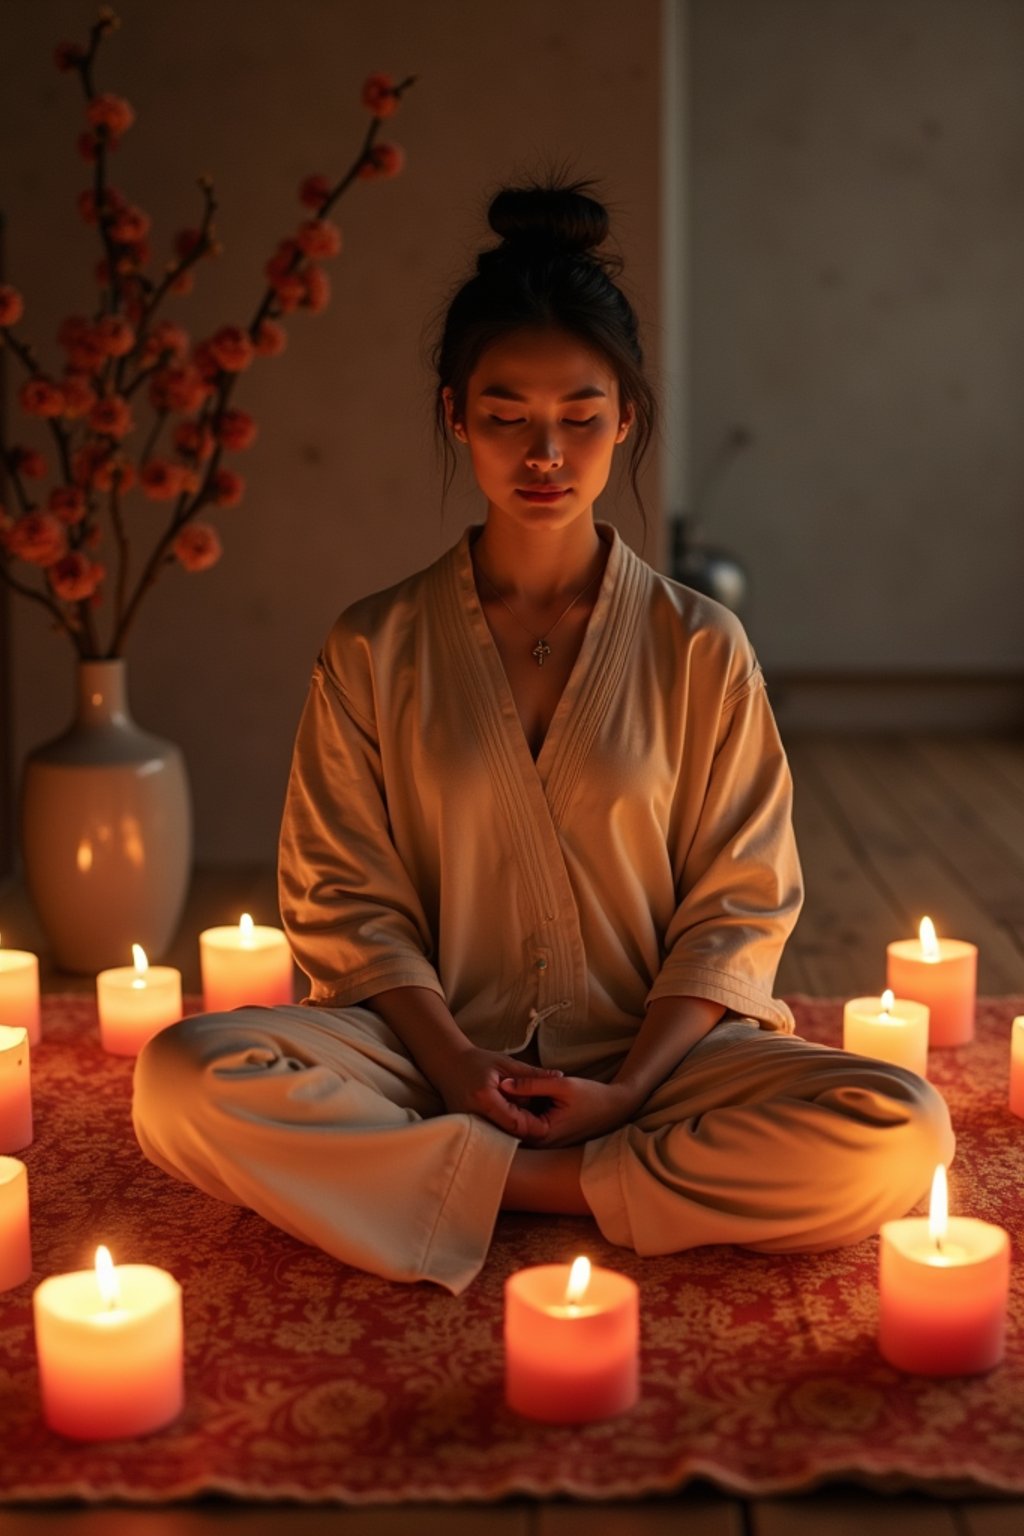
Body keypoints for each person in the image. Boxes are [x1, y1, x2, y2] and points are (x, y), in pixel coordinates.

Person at [133, 181, 954, 1294]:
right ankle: (566, 1178)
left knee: (898, 1126)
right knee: (182, 1077)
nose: (545, 450)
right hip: (426, 1064)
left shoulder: (700, 646)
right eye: (507, 412)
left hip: (657, 1066)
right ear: (454, 415)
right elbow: (346, 900)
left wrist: (626, 1092)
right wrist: (457, 1067)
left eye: (580, 413)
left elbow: (737, 904)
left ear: (625, 416)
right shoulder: (374, 645)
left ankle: (506, 1185)